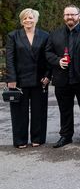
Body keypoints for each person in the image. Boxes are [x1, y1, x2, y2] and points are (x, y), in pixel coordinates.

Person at [46, 5, 80, 148]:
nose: (70, 17)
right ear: (64, 16)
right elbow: (48, 53)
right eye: (67, 14)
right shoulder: (54, 34)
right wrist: (58, 61)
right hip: (62, 79)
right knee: (65, 110)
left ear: (79, 16)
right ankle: (65, 136)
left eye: (73, 14)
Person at [6, 8, 50, 148]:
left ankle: (38, 138)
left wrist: (48, 76)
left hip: (39, 79)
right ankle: (20, 140)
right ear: (21, 21)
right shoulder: (13, 36)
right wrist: (11, 78)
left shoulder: (45, 35)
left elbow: (48, 58)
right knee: (19, 112)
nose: (28, 20)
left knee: (39, 111)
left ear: (36, 19)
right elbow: (10, 59)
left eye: (30, 18)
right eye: (25, 18)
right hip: (19, 80)